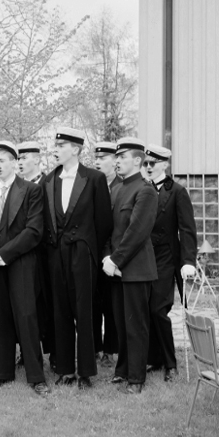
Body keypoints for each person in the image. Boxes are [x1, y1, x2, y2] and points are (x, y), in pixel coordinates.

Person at [0, 141, 49, 395]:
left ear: (14, 163)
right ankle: (1, 374)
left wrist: (3, 255)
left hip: (21, 263)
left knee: (26, 317)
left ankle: (36, 377)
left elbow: (34, 230)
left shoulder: (31, 190)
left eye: (2, 160)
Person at [43, 128, 113, 389]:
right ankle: (64, 370)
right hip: (56, 254)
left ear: (75, 149)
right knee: (60, 311)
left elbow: (103, 222)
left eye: (61, 145)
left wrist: (90, 250)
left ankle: (85, 371)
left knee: (84, 312)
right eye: (56, 145)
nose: (56, 149)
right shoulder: (49, 180)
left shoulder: (94, 178)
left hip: (82, 255)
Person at [103, 137, 158, 394]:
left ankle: (136, 378)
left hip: (135, 270)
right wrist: (107, 258)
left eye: (122, 157)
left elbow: (137, 232)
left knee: (136, 326)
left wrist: (115, 259)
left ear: (137, 160)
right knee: (120, 324)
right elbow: (109, 230)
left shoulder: (146, 191)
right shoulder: (116, 190)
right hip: (115, 269)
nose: (117, 161)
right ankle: (122, 370)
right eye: (116, 157)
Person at [144, 144, 197, 381]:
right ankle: (155, 359)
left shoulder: (177, 191)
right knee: (147, 309)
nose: (148, 167)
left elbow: (187, 229)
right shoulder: (142, 189)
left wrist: (188, 260)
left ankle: (170, 364)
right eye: (145, 163)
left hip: (166, 257)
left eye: (152, 163)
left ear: (164, 164)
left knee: (158, 308)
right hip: (144, 257)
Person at [17, 141, 54, 370]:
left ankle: (54, 353)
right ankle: (27, 352)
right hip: (23, 255)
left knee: (48, 305)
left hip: (46, 255)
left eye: (24, 158)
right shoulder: (17, 186)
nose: (20, 162)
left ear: (37, 160)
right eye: (18, 159)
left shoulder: (48, 183)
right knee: (26, 306)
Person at [92, 141, 121, 368]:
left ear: (115, 161)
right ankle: (94, 348)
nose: (97, 162)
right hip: (93, 254)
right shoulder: (92, 184)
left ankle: (110, 350)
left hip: (114, 255)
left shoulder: (122, 186)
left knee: (112, 305)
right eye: (96, 158)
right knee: (93, 303)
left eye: (103, 158)